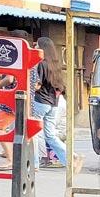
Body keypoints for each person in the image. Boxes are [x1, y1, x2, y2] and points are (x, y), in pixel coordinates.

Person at [32, 37, 81, 173]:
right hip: (53, 104)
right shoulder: (56, 65)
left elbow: (37, 85)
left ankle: (35, 164)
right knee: (50, 135)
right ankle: (72, 158)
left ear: (42, 48)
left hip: (40, 101)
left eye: (37, 45)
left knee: (33, 133)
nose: (35, 47)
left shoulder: (41, 63)